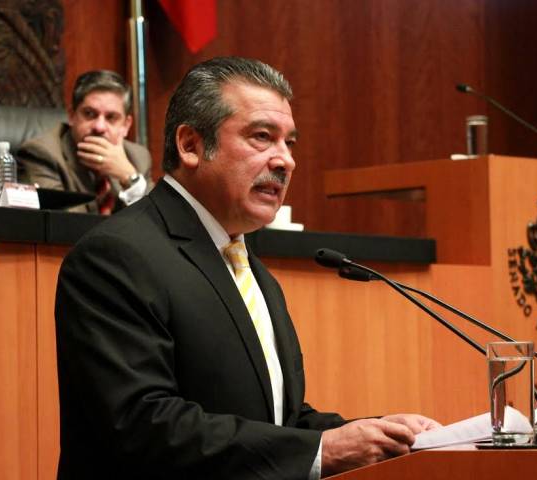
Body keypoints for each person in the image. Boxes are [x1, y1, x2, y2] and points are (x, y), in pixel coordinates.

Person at [55, 56, 440, 479]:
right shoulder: (116, 257)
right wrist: (322, 450)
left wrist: (378, 435)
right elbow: (142, 427)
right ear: (190, 145)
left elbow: (276, 423)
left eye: (289, 143)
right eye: (262, 137)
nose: (286, 161)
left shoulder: (251, 270)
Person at [17, 70, 153, 214]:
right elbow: (65, 222)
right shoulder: (42, 154)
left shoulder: (138, 158)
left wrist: (130, 179)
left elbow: (157, 222)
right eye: (89, 114)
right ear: (71, 116)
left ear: (126, 125)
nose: (99, 127)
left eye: (111, 117)